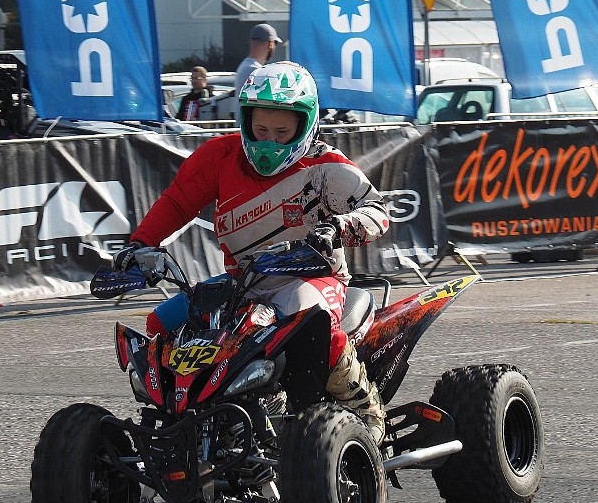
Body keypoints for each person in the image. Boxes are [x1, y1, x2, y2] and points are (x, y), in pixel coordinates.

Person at [113, 61, 390, 444]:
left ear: (305, 124)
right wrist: (141, 244)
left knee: (310, 323)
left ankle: (366, 410)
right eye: (260, 130)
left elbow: (377, 211)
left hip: (311, 276)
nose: (269, 142)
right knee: (161, 326)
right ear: (244, 120)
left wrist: (339, 227)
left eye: (282, 131)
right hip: (243, 283)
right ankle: (185, 427)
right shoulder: (219, 156)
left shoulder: (327, 168)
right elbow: (177, 204)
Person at [233, 23, 282, 123]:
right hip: (255, 132)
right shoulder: (257, 71)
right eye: (275, 44)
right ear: (270, 44)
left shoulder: (245, 66)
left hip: (246, 129)